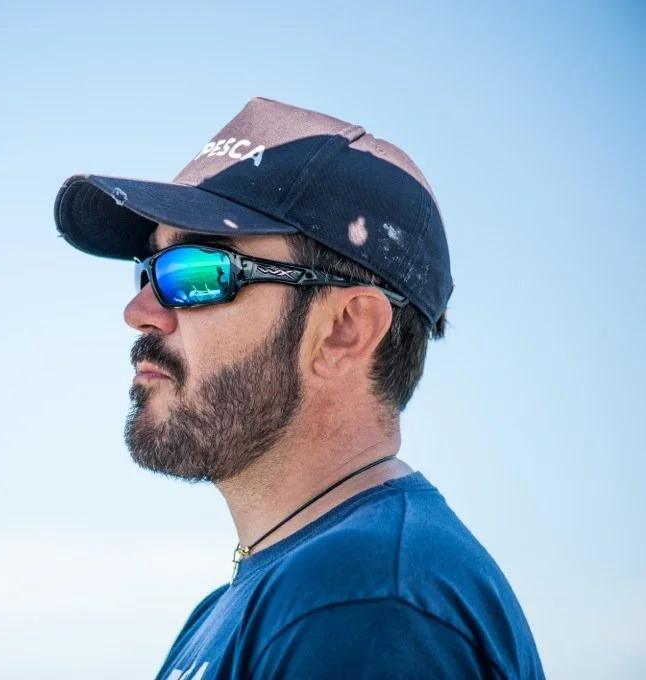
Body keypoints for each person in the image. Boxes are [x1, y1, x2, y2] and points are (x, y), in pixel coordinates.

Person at [53, 97, 543, 679]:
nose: (139, 312)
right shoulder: (241, 607)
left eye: (195, 273)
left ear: (344, 330)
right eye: (148, 271)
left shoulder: (364, 602)